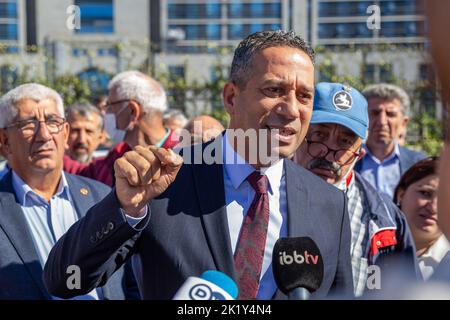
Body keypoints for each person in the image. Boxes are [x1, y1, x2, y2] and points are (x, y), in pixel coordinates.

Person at [43, 30, 354, 300]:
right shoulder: (164, 182)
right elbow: (64, 279)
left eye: (304, 96)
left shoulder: (330, 204)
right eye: (274, 90)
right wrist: (125, 208)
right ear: (231, 97)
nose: (291, 110)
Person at [0, 83, 136, 300]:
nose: (44, 135)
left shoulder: (101, 196)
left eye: (53, 122)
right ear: (5, 141)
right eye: (28, 124)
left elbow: (131, 280)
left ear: (65, 133)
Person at [295, 82, 418, 296]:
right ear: (296, 136)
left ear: (359, 153)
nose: (329, 153)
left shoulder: (385, 219)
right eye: (319, 136)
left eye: (344, 142)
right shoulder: (262, 195)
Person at [63, 71, 179, 186]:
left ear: (133, 111)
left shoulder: (186, 155)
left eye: (109, 106)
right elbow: (83, 174)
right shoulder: (118, 156)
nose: (104, 113)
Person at [355, 83, 427, 198]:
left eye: (390, 114)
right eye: (375, 113)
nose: (382, 121)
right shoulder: (348, 159)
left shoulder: (419, 163)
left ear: (404, 123)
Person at [393, 157, 448, 281]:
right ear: (401, 194)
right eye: (425, 193)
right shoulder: (372, 244)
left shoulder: (446, 263)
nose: (433, 208)